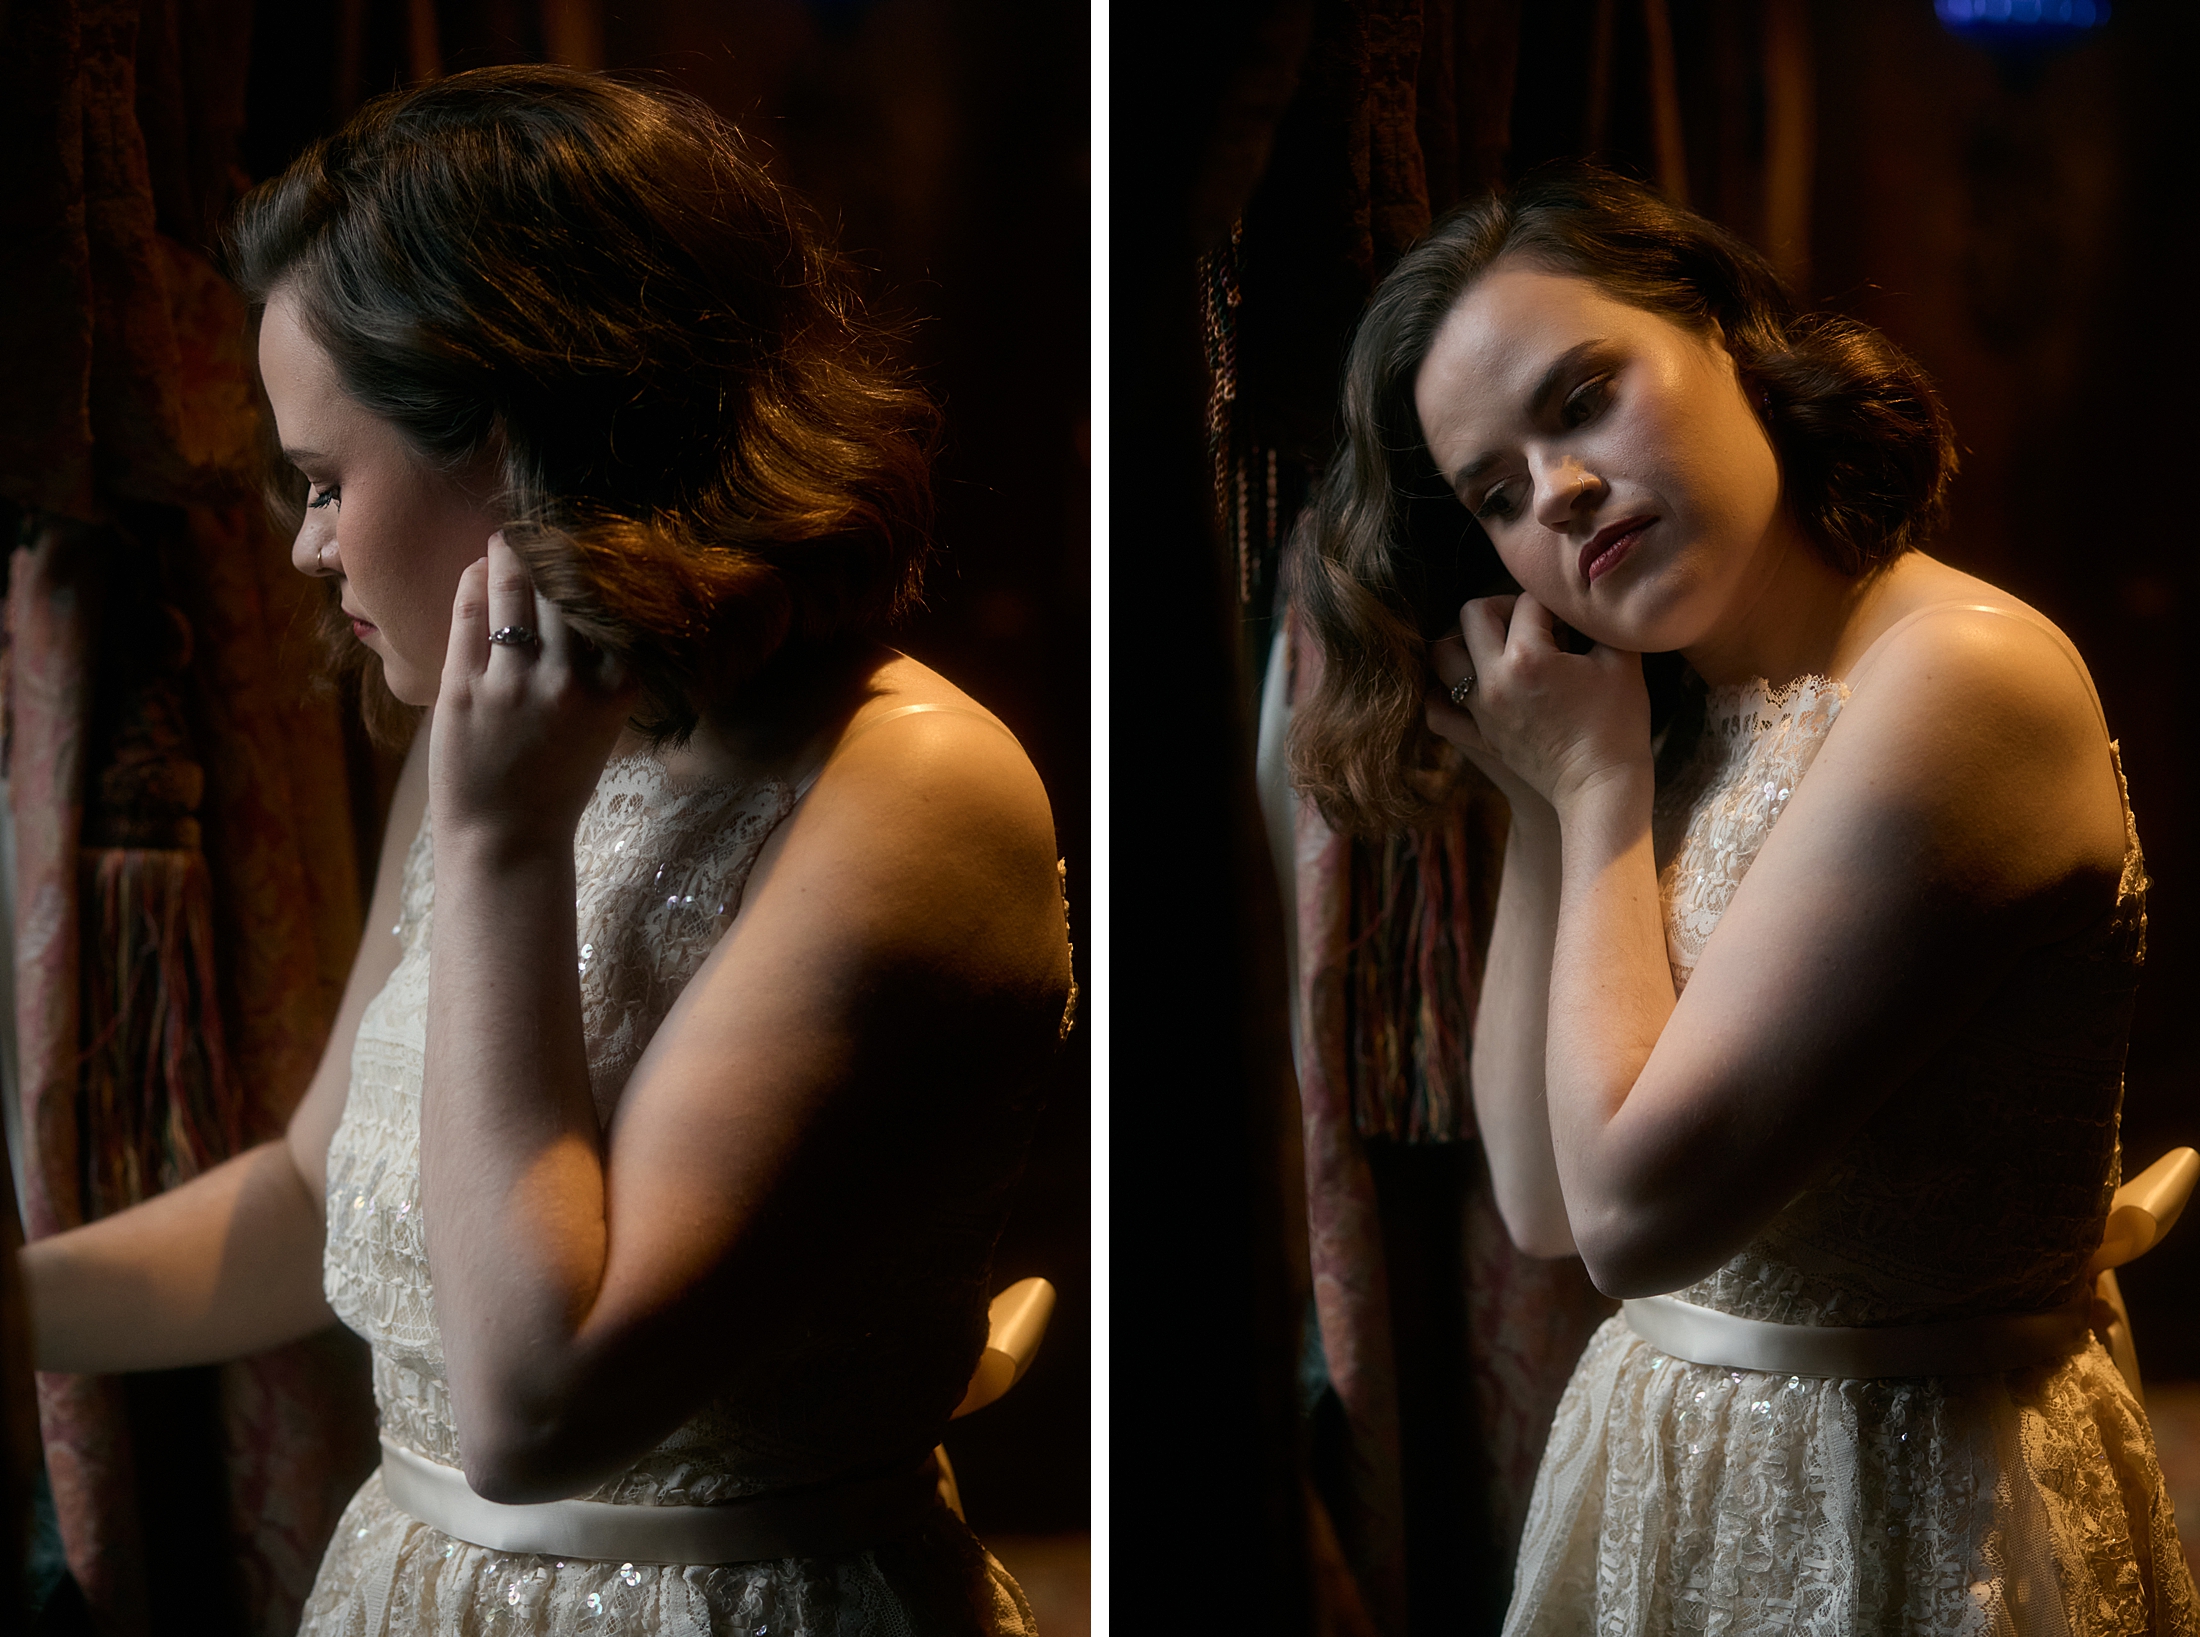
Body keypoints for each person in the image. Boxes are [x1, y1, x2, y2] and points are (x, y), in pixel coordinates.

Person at [19, 65, 1074, 1636]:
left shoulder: (914, 788)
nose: (306, 541)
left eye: (324, 479)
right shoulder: (499, 741)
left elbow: (534, 1403)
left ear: (526, 444)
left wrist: (505, 850)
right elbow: (323, 1203)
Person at [1289, 167, 2198, 1634]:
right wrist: (1546, 786)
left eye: (1583, 397)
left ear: (1727, 335)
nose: (1559, 493)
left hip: (1901, 1495)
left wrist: (1590, 803)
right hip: (1672, 1472)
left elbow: (1634, 1216)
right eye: (1498, 495)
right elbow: (1540, 1196)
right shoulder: (1692, 722)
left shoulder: (1960, 679)